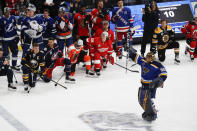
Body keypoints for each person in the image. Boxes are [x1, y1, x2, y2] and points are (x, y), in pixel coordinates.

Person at [129, 48, 167, 121]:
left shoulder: (157, 64)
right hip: (143, 84)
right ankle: (149, 110)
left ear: (153, 58)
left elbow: (164, 74)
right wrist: (131, 52)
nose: (148, 59)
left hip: (151, 85)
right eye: (147, 57)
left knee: (146, 99)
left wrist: (160, 80)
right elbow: (137, 57)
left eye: (150, 57)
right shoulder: (143, 61)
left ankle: (152, 114)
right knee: (143, 99)